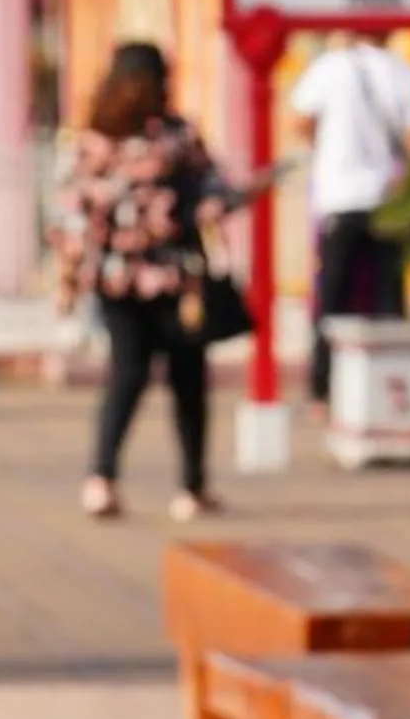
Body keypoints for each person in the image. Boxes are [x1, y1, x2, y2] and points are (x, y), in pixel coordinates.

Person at [52, 41, 266, 523]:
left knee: (130, 376)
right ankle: (186, 487)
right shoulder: (172, 137)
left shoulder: (92, 140)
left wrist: (68, 276)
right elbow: (213, 196)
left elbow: (70, 215)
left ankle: (105, 478)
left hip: (121, 279)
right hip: (168, 277)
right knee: (178, 380)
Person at [287, 27, 410, 408]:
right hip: (389, 198)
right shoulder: (407, 73)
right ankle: (391, 390)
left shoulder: (331, 67)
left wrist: (328, 147)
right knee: (388, 297)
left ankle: (322, 388)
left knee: (331, 296)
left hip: (339, 195)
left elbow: (298, 120)